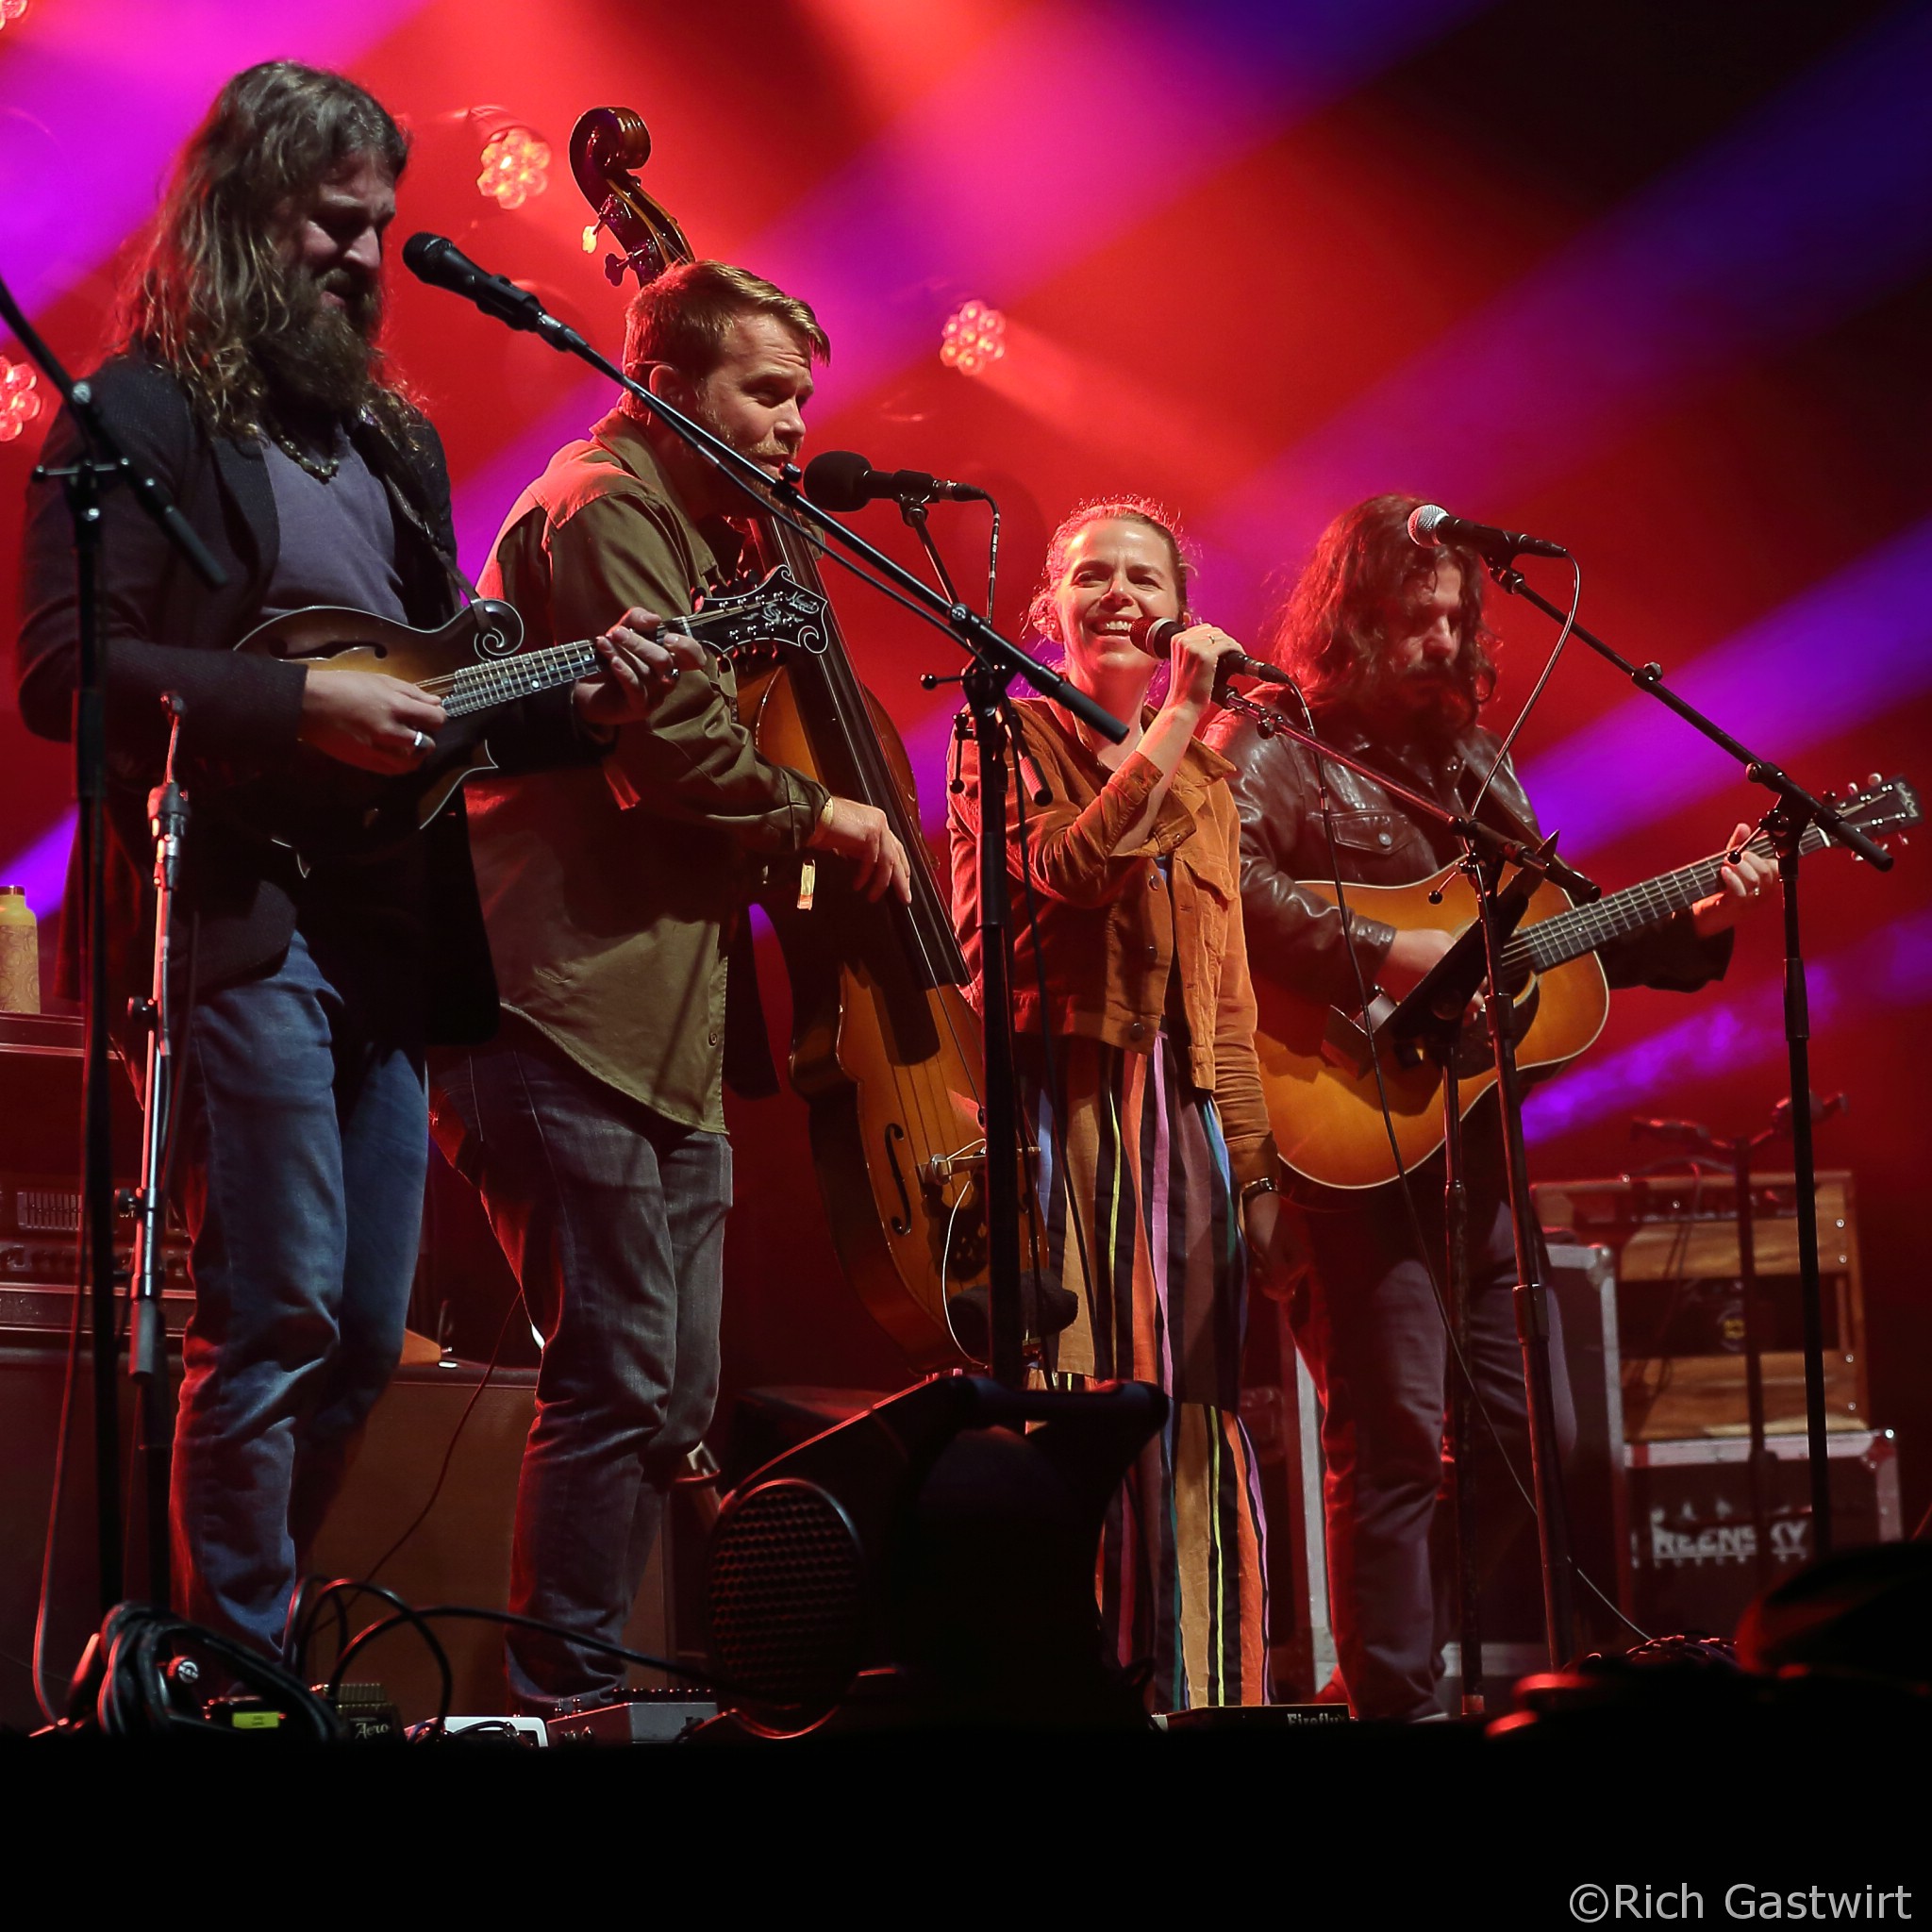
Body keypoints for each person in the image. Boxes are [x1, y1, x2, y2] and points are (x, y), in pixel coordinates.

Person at [13, 63, 691, 1657]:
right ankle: (234, 1668)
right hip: (236, 916)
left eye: (383, 226)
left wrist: (581, 697)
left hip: (384, 935)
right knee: (277, 1308)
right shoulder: (137, 411)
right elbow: (61, 668)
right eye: (335, 222)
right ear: (244, 213)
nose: (368, 256)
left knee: (366, 1338)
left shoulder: (391, 441)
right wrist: (291, 696)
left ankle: (233, 1642)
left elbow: (435, 701)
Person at [427, 258, 912, 1714]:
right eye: (765, 392)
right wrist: (829, 815)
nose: (789, 426)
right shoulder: (603, 506)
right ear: (668, 382)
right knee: (617, 1386)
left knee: (676, 1397)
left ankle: (620, 1683)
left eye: (801, 398)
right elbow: (683, 763)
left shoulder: (683, 540)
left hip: (662, 1026)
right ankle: (559, 1701)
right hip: (559, 1004)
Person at [1213, 492, 1775, 1721]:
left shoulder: (1476, 759)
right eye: (1414, 617)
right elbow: (1228, 891)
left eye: (1456, 619)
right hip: (1346, 1146)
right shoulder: (1275, 740)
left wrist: (1697, 921)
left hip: (1472, 1156)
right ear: (1353, 619)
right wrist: (1389, 953)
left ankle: (1394, 1657)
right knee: (1398, 1445)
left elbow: (1547, 940)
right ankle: (1397, 1708)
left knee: (1534, 1449)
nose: (1439, 643)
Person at [947, 499, 1295, 1710]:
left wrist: (1252, 1172)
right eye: (1090, 574)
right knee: (1070, 1406)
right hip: (1059, 1106)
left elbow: (1231, 1003)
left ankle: (1203, 1687)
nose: (1116, 595)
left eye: (1141, 576)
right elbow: (1073, 869)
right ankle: (1070, 1691)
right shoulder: (1007, 735)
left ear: (1179, 612)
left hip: (1181, 1116)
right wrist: (1176, 719)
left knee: (1194, 1412)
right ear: (1050, 607)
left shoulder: (1205, 779)